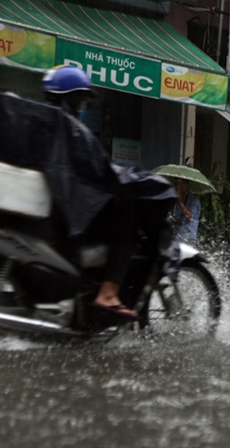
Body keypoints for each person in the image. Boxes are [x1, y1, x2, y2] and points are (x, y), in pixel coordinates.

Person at [42, 65, 139, 320]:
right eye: (81, 99)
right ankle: (108, 294)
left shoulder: (47, 122)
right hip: (68, 215)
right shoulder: (70, 129)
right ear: (72, 98)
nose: (83, 105)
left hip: (54, 208)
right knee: (125, 219)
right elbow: (102, 170)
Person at [172, 179, 201, 246]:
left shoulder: (194, 200)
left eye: (178, 184)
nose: (176, 187)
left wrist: (180, 203)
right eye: (175, 184)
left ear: (185, 185)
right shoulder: (175, 202)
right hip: (175, 240)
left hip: (187, 241)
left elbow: (190, 216)